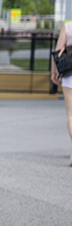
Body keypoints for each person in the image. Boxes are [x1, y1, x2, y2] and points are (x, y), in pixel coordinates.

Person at [52, 17, 72, 165]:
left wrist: (54, 72)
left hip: (70, 75)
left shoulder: (68, 27)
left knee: (71, 115)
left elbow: (58, 52)